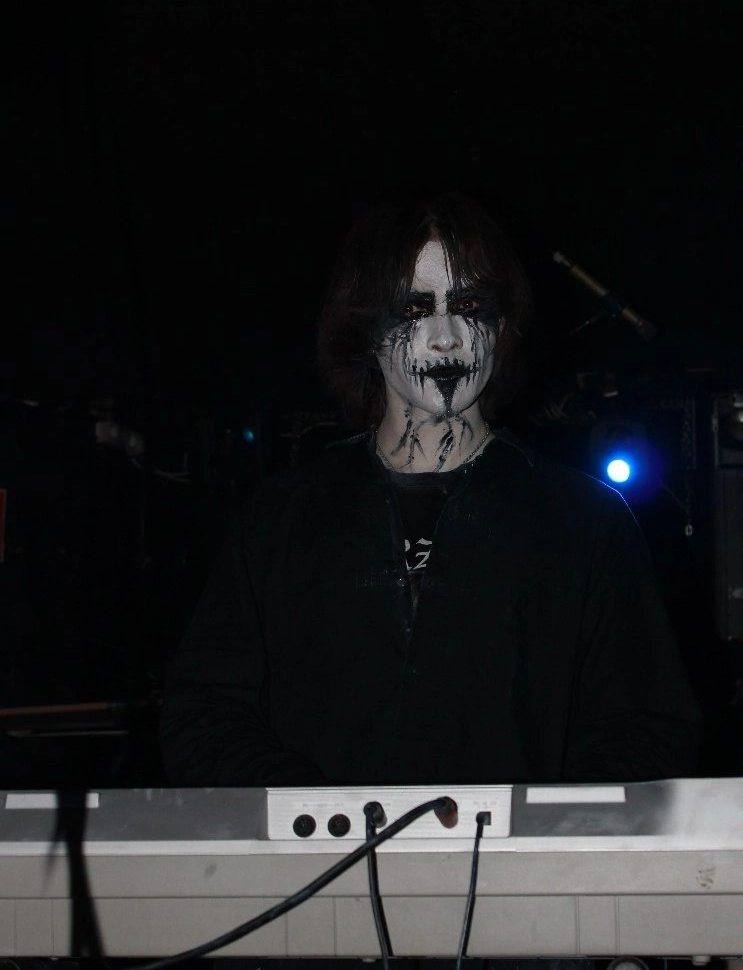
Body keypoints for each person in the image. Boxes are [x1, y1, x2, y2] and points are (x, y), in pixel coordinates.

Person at [159, 192, 700, 787]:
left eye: (469, 305)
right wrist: (318, 816)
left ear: (501, 325)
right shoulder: (283, 517)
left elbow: (646, 729)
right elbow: (204, 713)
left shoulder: (585, 520)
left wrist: (547, 826)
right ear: (366, 329)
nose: (445, 337)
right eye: (414, 308)